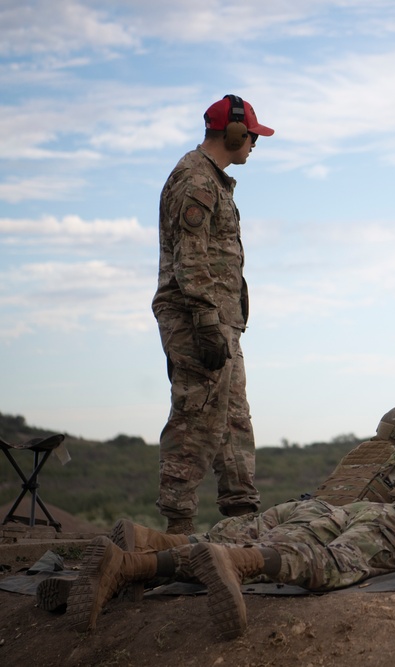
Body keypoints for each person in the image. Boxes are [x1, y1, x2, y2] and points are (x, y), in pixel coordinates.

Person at [65, 414, 395, 639]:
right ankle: (232, 564)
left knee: (243, 534)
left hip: (359, 513)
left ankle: (130, 562)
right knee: (327, 564)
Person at [151, 94, 274, 535]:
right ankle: (178, 529)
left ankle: (242, 522)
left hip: (221, 323)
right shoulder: (196, 181)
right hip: (198, 321)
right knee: (196, 416)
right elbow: (190, 259)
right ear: (234, 133)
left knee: (234, 419)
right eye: (252, 136)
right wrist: (205, 322)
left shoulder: (213, 179)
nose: (255, 145)